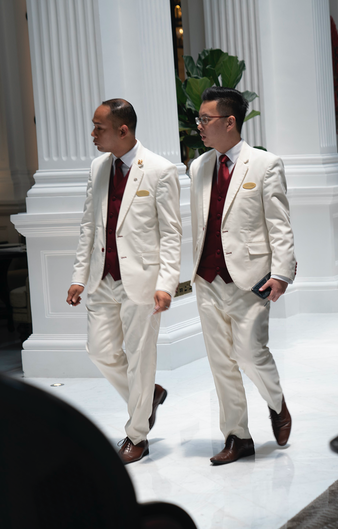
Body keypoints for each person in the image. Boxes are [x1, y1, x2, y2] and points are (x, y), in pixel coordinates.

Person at [66, 99, 182, 464]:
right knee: (99, 350)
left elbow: (172, 234)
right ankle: (150, 396)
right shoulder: (98, 168)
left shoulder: (160, 170)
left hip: (143, 281)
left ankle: (137, 436)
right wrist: (78, 277)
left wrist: (166, 282)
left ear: (123, 130)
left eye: (99, 127)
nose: (93, 134)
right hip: (102, 279)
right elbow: (89, 226)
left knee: (140, 358)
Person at [189, 86, 297, 465]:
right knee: (221, 362)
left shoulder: (265, 165)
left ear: (230, 122)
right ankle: (238, 436)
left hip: (250, 278)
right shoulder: (198, 167)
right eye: (199, 119)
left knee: (250, 352)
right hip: (207, 279)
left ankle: (277, 403)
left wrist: (282, 273)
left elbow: (279, 225)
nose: (199, 125)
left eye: (206, 119)